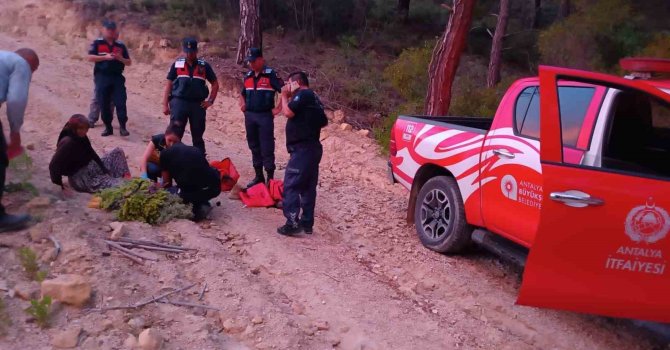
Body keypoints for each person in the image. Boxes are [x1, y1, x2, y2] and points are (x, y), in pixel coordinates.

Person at [276, 71, 328, 236]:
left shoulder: (303, 94)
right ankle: (307, 223)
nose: (287, 86)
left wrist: (284, 96)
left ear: (297, 82)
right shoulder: (314, 99)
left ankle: (292, 222)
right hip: (313, 148)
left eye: (289, 83)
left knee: (291, 185)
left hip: (303, 149)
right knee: (307, 187)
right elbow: (324, 121)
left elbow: (288, 112)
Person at [0, 48, 39, 232]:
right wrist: (15, 131)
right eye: (33, 71)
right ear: (29, 62)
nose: (30, 76)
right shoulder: (20, 64)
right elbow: (16, 100)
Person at [163, 37, 218, 155]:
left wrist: (210, 101)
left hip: (197, 105)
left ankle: (200, 163)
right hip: (179, 102)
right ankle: (170, 159)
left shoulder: (204, 66)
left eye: (192, 52)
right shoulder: (177, 65)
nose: (189, 54)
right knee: (174, 133)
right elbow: (168, 84)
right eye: (187, 51)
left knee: (197, 136)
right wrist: (165, 104)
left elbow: (215, 83)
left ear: (196, 51)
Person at [49, 114, 130, 194]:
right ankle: (117, 181)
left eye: (86, 129)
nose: (85, 132)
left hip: (91, 167)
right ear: (74, 128)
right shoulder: (68, 142)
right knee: (122, 185)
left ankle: (123, 176)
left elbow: (91, 153)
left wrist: (104, 169)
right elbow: (53, 166)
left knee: (117, 151)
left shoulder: (80, 136)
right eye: (82, 129)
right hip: (82, 178)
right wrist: (60, 186)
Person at [239, 47, 283, 188]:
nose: (250, 64)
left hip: (265, 116)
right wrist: (243, 104)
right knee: (253, 145)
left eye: (253, 61)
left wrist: (278, 108)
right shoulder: (248, 76)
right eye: (249, 62)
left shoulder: (270, 75)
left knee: (267, 147)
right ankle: (259, 176)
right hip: (250, 116)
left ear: (261, 60)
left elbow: (284, 90)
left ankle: (270, 179)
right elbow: (242, 93)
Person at [159, 125, 221, 221]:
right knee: (193, 186)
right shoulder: (195, 150)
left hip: (192, 193)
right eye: (169, 141)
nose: (171, 144)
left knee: (171, 192)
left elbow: (167, 183)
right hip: (214, 189)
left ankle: (198, 209)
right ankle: (202, 202)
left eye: (172, 141)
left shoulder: (164, 154)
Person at [88, 19, 132, 137]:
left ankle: (123, 127)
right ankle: (108, 127)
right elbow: (90, 57)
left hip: (117, 77)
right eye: (108, 29)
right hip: (102, 76)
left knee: (120, 102)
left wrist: (120, 58)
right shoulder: (97, 43)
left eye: (113, 30)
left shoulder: (120, 45)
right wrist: (105, 57)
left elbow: (129, 62)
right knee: (103, 102)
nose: (111, 32)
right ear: (103, 30)